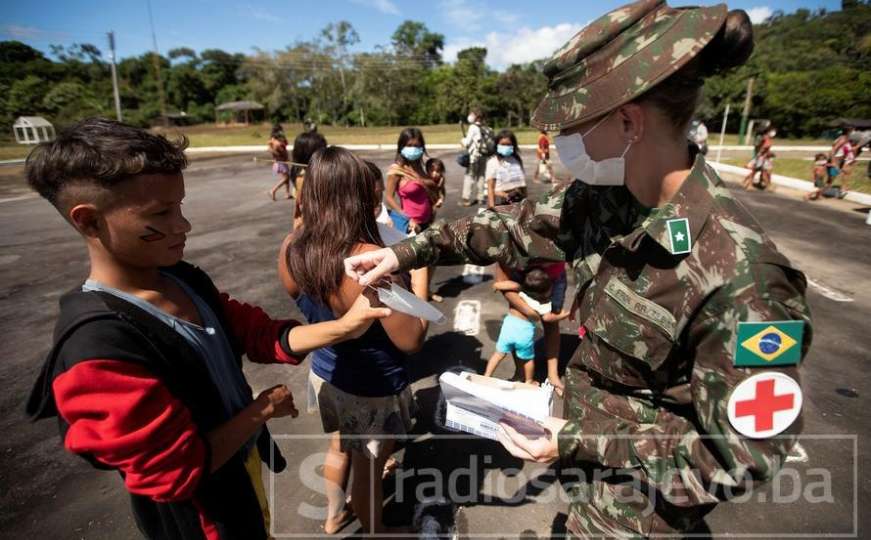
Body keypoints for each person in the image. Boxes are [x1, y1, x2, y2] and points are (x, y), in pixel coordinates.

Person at [343, 3, 813, 537]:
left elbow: (741, 456)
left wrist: (576, 441)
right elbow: (506, 228)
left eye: (574, 124)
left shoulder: (744, 278)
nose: (565, 141)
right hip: (585, 483)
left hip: (639, 518)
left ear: (629, 122)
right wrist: (402, 253)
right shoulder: (605, 199)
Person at [23, 118, 392, 540]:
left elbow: (258, 333)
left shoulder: (182, 279)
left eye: (179, 206)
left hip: (243, 480)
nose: (183, 225)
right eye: (161, 213)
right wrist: (261, 411)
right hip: (203, 521)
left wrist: (347, 326)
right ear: (89, 222)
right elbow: (175, 474)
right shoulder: (98, 349)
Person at [277, 146, 429, 536]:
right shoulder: (370, 261)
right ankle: (377, 533)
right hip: (373, 384)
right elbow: (411, 338)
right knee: (369, 470)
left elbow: (308, 306)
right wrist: (421, 279)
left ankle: (333, 515)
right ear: (361, 196)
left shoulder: (292, 247)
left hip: (329, 371)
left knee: (339, 447)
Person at [485, 267, 553, 384]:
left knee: (498, 354)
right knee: (528, 359)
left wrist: (497, 286)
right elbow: (547, 316)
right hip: (524, 333)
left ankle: (486, 376)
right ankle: (529, 380)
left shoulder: (520, 290)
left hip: (509, 327)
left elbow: (502, 284)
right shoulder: (543, 304)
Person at [485, 129, 528, 208]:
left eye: (508, 144)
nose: (506, 147)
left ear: (513, 145)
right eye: (503, 144)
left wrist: (526, 202)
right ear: (497, 145)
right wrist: (492, 207)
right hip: (501, 203)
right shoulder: (492, 162)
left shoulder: (516, 160)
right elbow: (490, 188)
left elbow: (523, 185)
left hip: (518, 201)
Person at [459, 109, 492, 206]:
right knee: (481, 176)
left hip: (474, 157)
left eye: (472, 114)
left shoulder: (473, 127)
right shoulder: (487, 129)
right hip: (484, 156)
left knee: (469, 177)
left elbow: (467, 142)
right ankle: (481, 198)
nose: (470, 116)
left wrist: (462, 141)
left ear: (477, 117)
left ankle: (466, 199)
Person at [743, 126, 775, 190]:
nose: (773, 133)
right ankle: (750, 185)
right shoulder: (764, 138)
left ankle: (749, 184)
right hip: (761, 157)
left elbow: (764, 148)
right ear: (767, 132)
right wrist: (762, 153)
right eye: (771, 131)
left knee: (762, 171)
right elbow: (763, 148)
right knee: (758, 171)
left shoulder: (765, 138)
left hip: (763, 157)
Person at [268, 129, 292, 201]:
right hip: (281, 163)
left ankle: (287, 193)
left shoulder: (276, 143)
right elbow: (281, 152)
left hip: (282, 162)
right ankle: (273, 190)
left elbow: (286, 144)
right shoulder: (277, 144)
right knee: (286, 178)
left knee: (287, 178)